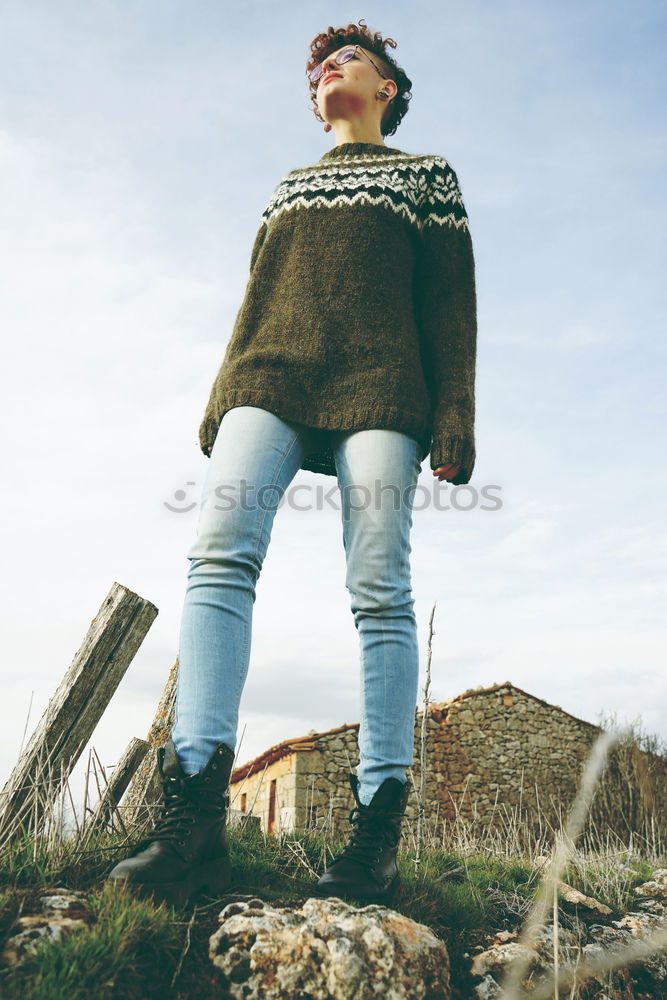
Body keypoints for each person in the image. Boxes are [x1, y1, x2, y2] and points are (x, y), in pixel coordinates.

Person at [107, 17, 477, 910]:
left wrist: (455, 409)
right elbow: (255, 298)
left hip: (384, 385)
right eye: (317, 70)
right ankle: (190, 819)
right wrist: (222, 394)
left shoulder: (425, 177)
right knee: (217, 556)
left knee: (379, 586)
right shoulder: (289, 188)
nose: (326, 72)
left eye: (346, 59)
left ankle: (373, 836)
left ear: (386, 86)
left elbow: (450, 303)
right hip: (267, 378)